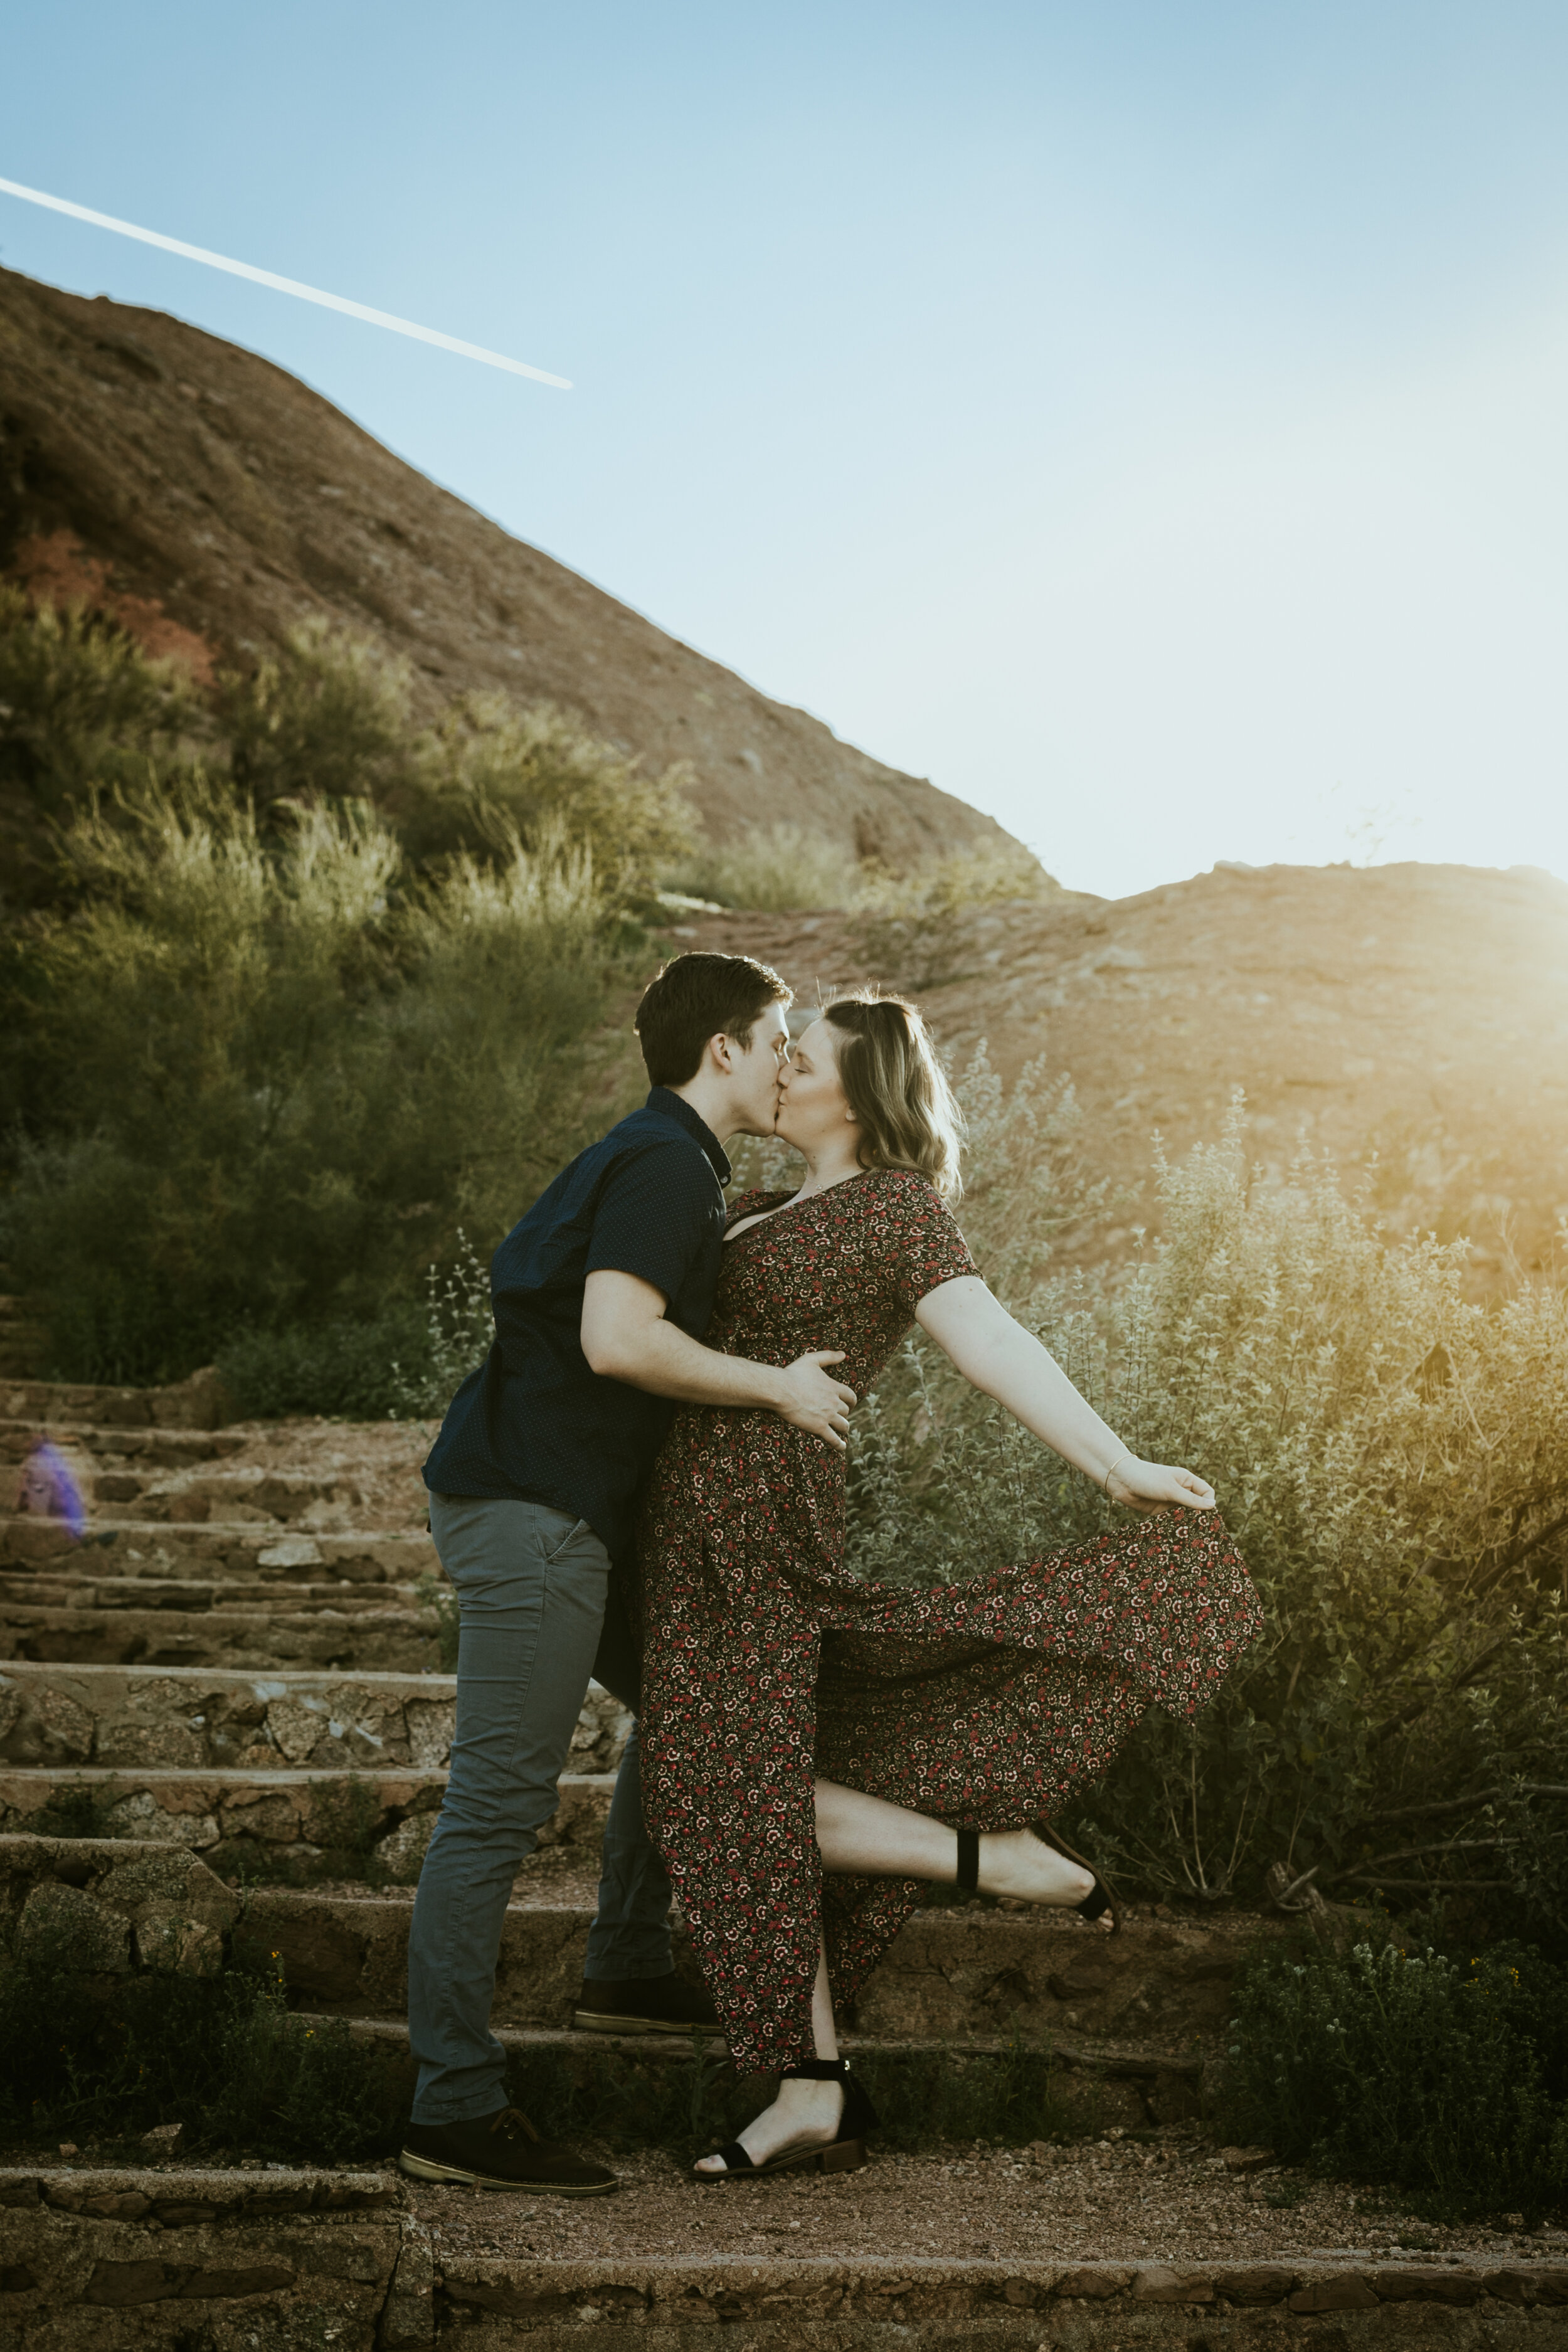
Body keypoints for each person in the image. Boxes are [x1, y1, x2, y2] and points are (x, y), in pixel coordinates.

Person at [634, 992, 1264, 2181]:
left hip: (756, 1518)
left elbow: (990, 1340)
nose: (779, 1069)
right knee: (736, 1781)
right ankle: (813, 2084)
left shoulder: (895, 1208)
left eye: (800, 1056)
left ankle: (988, 1868)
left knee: (716, 1791)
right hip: (695, 1526)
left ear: (854, 1093)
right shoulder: (772, 1203)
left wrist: (1116, 1461)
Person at [399, 952, 859, 2198]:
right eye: (776, 1039)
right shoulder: (663, 1163)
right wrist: (779, 1386)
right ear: (724, 1049)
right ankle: (449, 2104)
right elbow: (615, 1338)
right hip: (532, 1513)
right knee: (495, 1805)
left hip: (553, 1503)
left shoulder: (663, 1159)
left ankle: (622, 1961)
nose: (787, 1060)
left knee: (694, 1689)